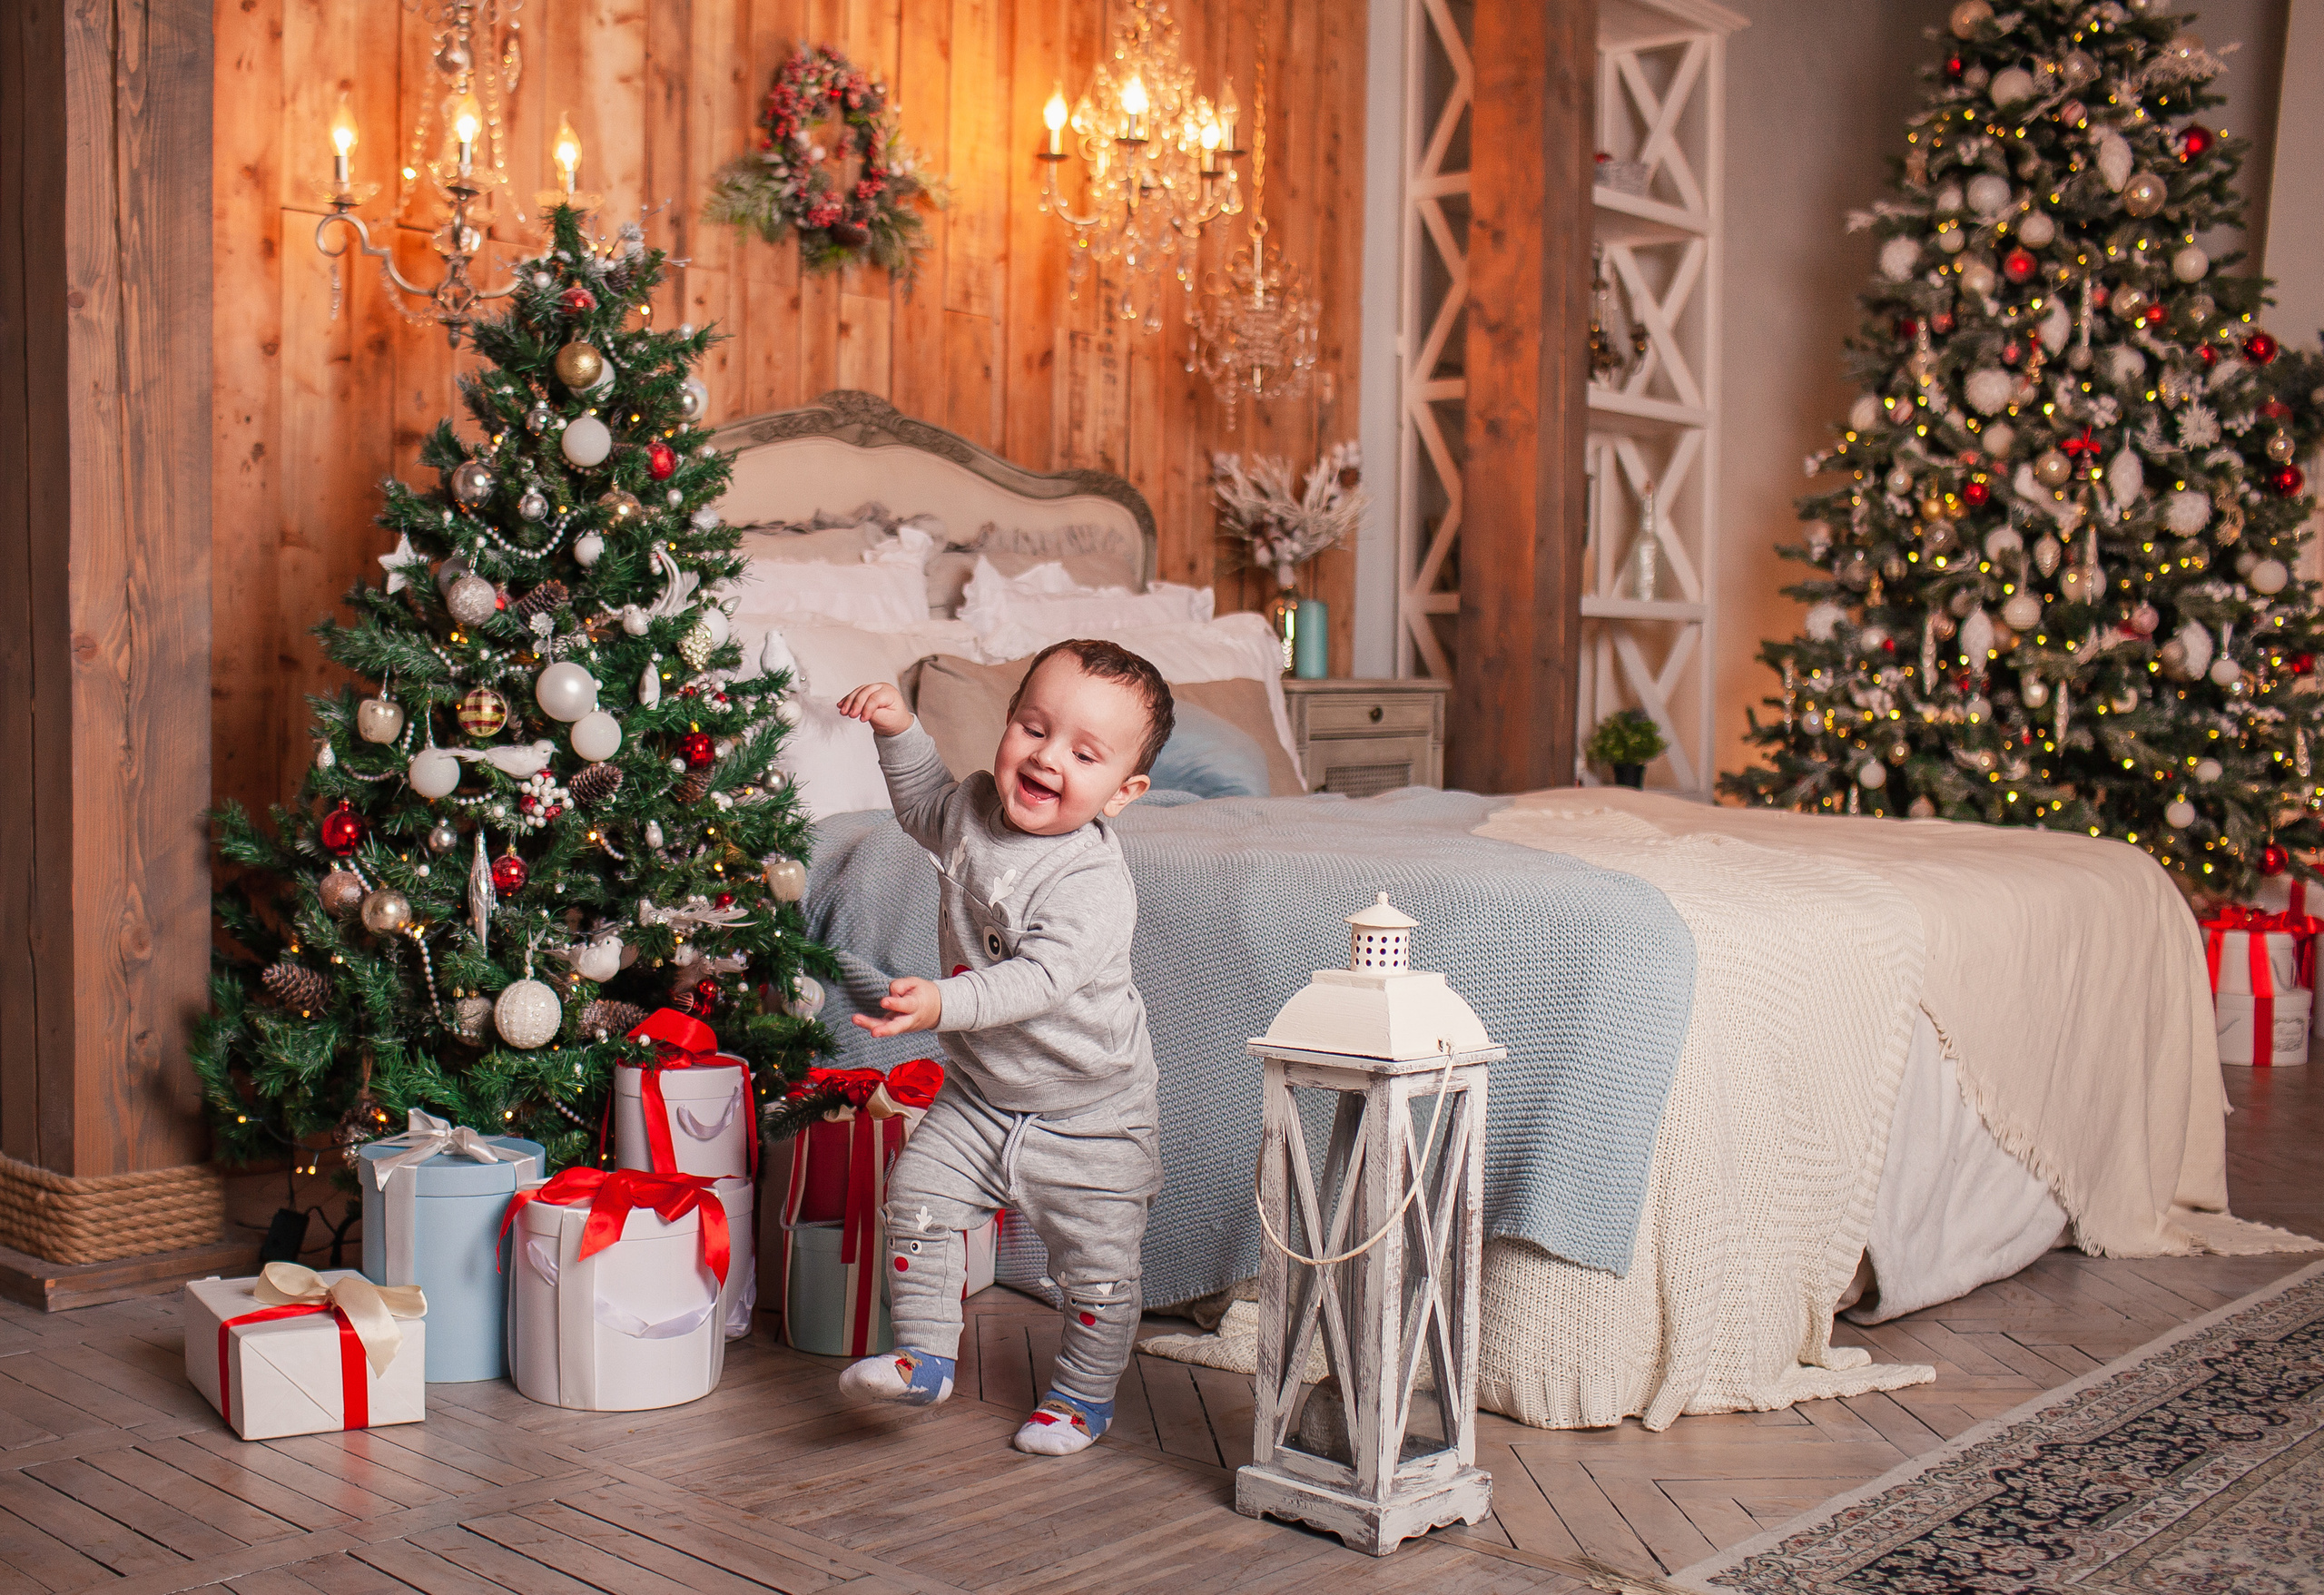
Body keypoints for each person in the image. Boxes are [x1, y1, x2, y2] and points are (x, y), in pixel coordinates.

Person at [831, 639, 1174, 1455]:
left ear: (1122, 793)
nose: (1048, 757)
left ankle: (1083, 1398)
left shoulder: (1091, 883)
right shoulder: (978, 806)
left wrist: (944, 1000)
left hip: (1090, 1108)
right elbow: (924, 808)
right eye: (1033, 727)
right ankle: (925, 1357)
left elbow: (1035, 981)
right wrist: (898, 728)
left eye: (1084, 753)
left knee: (1096, 1271)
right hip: (985, 1095)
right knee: (916, 1194)